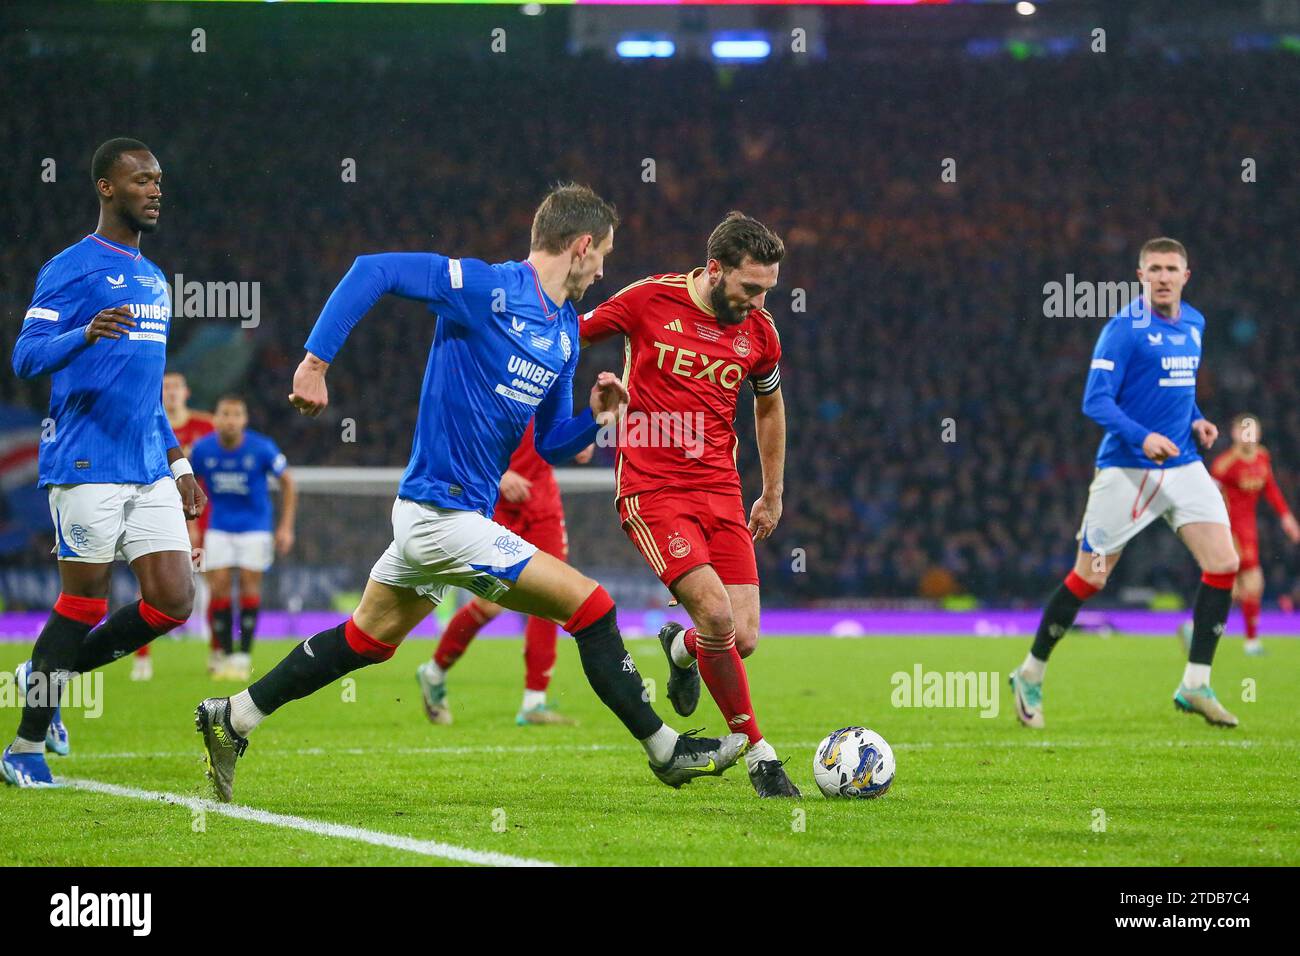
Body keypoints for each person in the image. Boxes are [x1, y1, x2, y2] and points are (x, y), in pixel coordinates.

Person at [193, 183, 747, 802]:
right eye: (604, 255)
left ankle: (233, 716)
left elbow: (549, 445)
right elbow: (371, 270)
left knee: (366, 640)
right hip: (441, 512)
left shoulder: (564, 332)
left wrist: (595, 417)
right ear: (582, 245)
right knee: (592, 609)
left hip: (446, 516)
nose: (603, 270)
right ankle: (666, 750)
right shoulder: (486, 288)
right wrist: (315, 362)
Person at [3, 138, 203, 788]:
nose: (154, 189)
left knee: (174, 601)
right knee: (82, 604)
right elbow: (26, 358)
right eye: (141, 179)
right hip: (86, 460)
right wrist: (82, 334)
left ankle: (42, 678)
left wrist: (177, 465)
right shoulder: (73, 268)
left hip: (147, 466)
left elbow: (145, 395)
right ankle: (25, 746)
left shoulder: (152, 278)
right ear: (106, 188)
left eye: (159, 179)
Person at [579, 211, 799, 797]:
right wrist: (583, 414)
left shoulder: (761, 332)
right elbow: (563, 336)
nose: (757, 302)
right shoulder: (649, 300)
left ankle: (680, 650)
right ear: (714, 269)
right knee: (719, 617)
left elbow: (769, 406)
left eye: (767, 291)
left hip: (721, 490)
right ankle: (760, 753)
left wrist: (772, 492)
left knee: (743, 635)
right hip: (653, 488)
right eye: (749, 288)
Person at [1010, 238, 1240, 729]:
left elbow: (1179, 389)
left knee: (1224, 564)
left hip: (1183, 465)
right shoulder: (1124, 329)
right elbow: (1096, 401)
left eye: (1170, 268)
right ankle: (1030, 671)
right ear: (1139, 276)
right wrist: (1143, 436)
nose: (1162, 276)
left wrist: (1197, 420)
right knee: (1090, 577)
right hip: (1127, 471)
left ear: (1185, 274)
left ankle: (1195, 683)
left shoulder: (1195, 324)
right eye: (1153, 268)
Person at [418, 423, 592, 726]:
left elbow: (557, 425)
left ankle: (533, 703)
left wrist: (579, 436)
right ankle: (434, 672)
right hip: (495, 504)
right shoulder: (482, 382)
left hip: (542, 505)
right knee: (490, 604)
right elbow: (455, 436)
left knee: (552, 597)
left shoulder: (551, 381)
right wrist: (499, 475)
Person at [191, 395, 296, 681]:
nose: (230, 420)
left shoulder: (261, 448)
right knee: (220, 590)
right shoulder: (202, 449)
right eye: (225, 414)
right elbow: (188, 484)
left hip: (255, 528)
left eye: (236, 414)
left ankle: (243, 655)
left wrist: (285, 527)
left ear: (244, 419)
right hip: (219, 528)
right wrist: (191, 523)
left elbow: (288, 482)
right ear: (216, 418)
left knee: (250, 587)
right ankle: (225, 655)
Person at [131, 370, 215, 680]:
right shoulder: (145, 423)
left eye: (176, 387)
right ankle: (142, 658)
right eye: (165, 388)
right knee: (150, 580)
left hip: (200, 512)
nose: (171, 393)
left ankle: (213, 648)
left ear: (186, 392)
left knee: (209, 578)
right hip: (157, 508)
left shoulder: (207, 427)